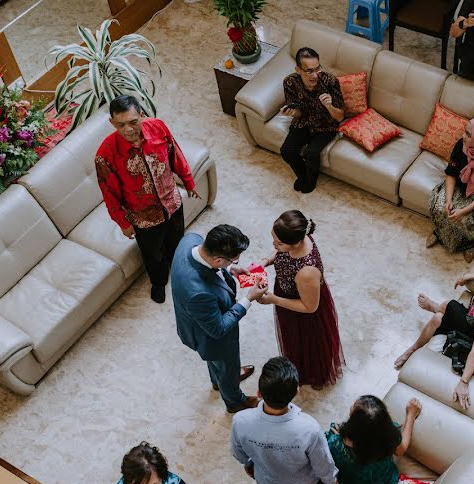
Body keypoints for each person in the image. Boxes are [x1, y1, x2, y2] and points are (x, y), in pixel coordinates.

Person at [95, 95, 199, 304]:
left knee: (177, 243)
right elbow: (109, 193)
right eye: (121, 124)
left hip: (172, 202)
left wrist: (188, 182)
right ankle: (159, 282)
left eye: (133, 122)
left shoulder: (158, 127)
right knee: (153, 255)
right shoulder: (105, 155)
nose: (128, 129)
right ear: (112, 123)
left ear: (142, 116)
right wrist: (123, 223)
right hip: (143, 216)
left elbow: (175, 154)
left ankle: (180, 274)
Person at [394, 259, 474, 409]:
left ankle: (415, 344)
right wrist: (466, 277)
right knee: (446, 306)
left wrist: (463, 383)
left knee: (439, 317)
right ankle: (429, 320)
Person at [231, 357, 339, 484]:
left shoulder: (240, 421)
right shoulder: (309, 428)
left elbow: (239, 454)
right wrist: (331, 481)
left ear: (259, 392)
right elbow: (322, 463)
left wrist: (249, 464)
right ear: (296, 391)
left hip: (269, 483)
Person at [170, 224, 267, 413]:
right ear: (217, 259)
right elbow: (218, 329)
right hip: (212, 339)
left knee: (219, 366)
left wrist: (230, 267)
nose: (237, 260)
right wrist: (248, 299)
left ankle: (219, 381)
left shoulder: (191, 240)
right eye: (234, 258)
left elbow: (214, 264)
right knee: (225, 363)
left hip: (198, 321)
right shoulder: (198, 293)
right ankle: (234, 401)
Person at [256, 211, 345, 389]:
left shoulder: (306, 272)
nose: (275, 245)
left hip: (303, 310)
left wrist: (273, 299)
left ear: (296, 243)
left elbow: (310, 307)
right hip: (290, 294)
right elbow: (281, 253)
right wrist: (266, 261)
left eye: (279, 243)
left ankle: (312, 375)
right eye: (274, 240)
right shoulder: (298, 237)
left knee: (308, 346)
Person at [426, 116, 474, 263]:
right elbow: (452, 173)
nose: (464, 137)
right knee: (440, 207)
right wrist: (448, 200)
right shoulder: (461, 146)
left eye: (469, 135)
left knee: (464, 218)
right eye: (465, 132)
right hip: (461, 185)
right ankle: (440, 232)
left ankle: (468, 243)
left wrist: (464, 210)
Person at [325, 396, 422, 484]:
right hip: (385, 483)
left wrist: (334, 437)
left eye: (354, 406)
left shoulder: (335, 445)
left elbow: (324, 467)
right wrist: (411, 416)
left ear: (353, 426)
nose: (352, 405)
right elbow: (401, 450)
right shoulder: (389, 435)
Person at [280, 47, 344, 194]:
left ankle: (311, 182)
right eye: (309, 71)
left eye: (317, 69)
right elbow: (298, 112)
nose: (315, 75)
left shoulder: (330, 81)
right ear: (298, 69)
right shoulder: (290, 82)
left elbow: (340, 116)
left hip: (325, 125)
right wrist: (291, 112)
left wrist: (329, 106)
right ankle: (304, 176)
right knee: (286, 151)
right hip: (303, 122)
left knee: (311, 153)